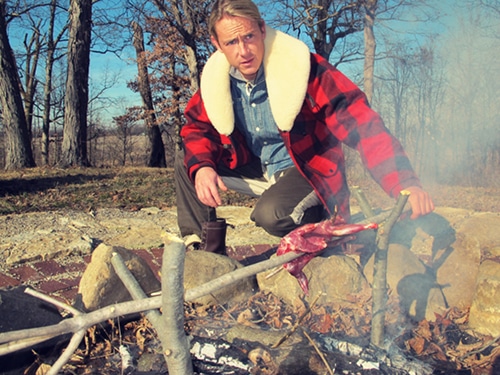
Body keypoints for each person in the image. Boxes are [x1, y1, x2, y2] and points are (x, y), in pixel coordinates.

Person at [174, 0, 434, 254]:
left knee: (270, 215)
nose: (243, 51)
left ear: (263, 30)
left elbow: (362, 124)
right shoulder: (216, 80)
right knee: (192, 162)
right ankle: (204, 254)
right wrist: (204, 168)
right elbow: (197, 129)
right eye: (231, 42)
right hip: (256, 167)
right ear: (217, 44)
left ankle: (324, 220)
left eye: (249, 36)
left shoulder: (301, 67)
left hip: (305, 170)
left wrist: (405, 183)